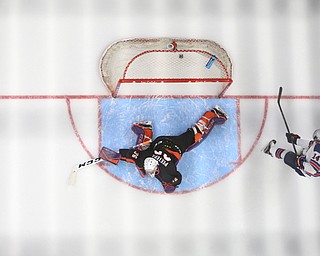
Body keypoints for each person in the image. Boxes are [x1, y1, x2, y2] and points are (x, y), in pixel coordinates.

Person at [99, 105, 228, 193]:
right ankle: (145, 129)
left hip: (172, 144)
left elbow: (173, 185)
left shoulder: (165, 172)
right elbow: (131, 156)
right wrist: (118, 156)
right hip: (163, 143)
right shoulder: (147, 162)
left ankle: (213, 114)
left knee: (196, 136)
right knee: (141, 161)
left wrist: (117, 155)